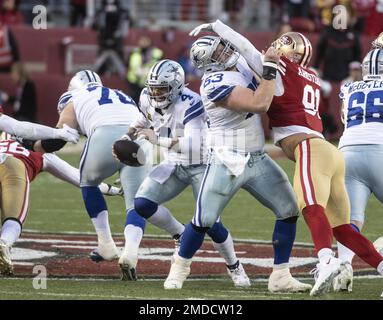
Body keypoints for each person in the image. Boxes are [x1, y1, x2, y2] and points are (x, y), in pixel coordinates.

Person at [198, 20, 383, 296]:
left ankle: (325, 261)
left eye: (278, 46)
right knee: (343, 228)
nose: (271, 49)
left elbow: (246, 50)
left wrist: (219, 27)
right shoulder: (309, 77)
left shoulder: (282, 71)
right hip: (329, 152)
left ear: (288, 52)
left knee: (310, 207)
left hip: (312, 149)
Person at [164, 36, 312, 293]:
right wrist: (269, 68)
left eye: (224, 46)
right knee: (204, 219)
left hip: (256, 157)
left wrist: (222, 30)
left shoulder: (239, 65)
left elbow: (246, 48)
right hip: (227, 159)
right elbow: (259, 103)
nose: (226, 51)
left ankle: (280, 276)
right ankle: (180, 266)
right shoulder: (213, 83)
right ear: (207, 63)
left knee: (288, 210)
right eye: (219, 51)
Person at [118, 59, 250, 287]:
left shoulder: (191, 102)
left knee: (209, 222)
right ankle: (180, 234)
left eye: (162, 90)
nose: (157, 95)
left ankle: (234, 266)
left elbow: (194, 145)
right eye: (154, 89)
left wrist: (157, 139)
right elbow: (145, 116)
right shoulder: (147, 97)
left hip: (203, 163)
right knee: (142, 204)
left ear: (177, 87)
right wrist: (127, 135)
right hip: (175, 162)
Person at [31, 70, 172, 272]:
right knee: (136, 202)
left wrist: (31, 144)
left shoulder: (75, 97)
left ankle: (106, 244)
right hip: (139, 138)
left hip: (105, 135)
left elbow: (56, 140)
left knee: (88, 183)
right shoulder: (119, 94)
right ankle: (131, 252)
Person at [0, 136, 121, 275]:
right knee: (13, 218)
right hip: (14, 167)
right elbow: (80, 179)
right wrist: (112, 189)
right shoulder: (43, 153)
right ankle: (4, 243)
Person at [333, 48, 383, 292]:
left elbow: (344, 118)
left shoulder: (350, 88)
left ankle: (344, 267)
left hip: (348, 152)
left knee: (351, 220)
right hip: (380, 151)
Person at [93, 0, 130, 77]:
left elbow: (125, 27)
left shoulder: (122, 12)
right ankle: (96, 75)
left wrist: (118, 35)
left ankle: (123, 76)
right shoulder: (100, 11)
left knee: (118, 58)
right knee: (101, 59)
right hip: (103, 40)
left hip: (117, 40)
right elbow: (95, 26)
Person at [126, 36, 163, 104]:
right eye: (142, 41)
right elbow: (130, 66)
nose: (144, 43)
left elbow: (160, 67)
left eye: (146, 41)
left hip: (151, 83)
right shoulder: (134, 52)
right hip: (135, 83)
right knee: (135, 102)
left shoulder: (157, 53)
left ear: (150, 42)